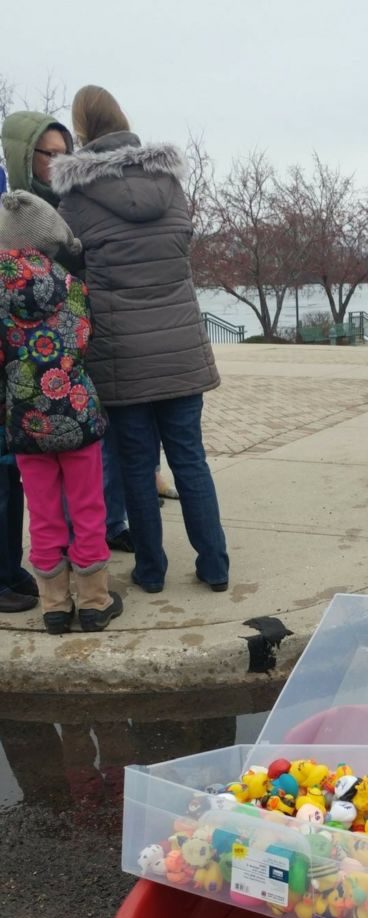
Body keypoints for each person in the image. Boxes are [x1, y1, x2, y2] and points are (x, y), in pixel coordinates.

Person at [51, 86, 228, 593]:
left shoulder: (78, 196)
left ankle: (151, 570)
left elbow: (68, 263)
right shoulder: (168, 181)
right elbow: (182, 244)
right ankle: (215, 565)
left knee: (136, 465)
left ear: (81, 131)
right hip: (179, 347)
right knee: (191, 458)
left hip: (119, 352)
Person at [1, 110, 132, 555]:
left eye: (64, 153)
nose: (59, 163)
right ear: (25, 154)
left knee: (68, 496)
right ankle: (83, 581)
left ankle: (59, 585)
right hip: (45, 387)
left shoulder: (79, 201)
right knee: (55, 495)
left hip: (55, 383)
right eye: (49, 154)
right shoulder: (12, 212)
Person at [0, 191, 123, 632]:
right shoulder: (72, 285)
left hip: (26, 422)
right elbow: (84, 340)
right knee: (88, 508)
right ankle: (93, 601)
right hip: (77, 415)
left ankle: (54, 606)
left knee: (44, 511)